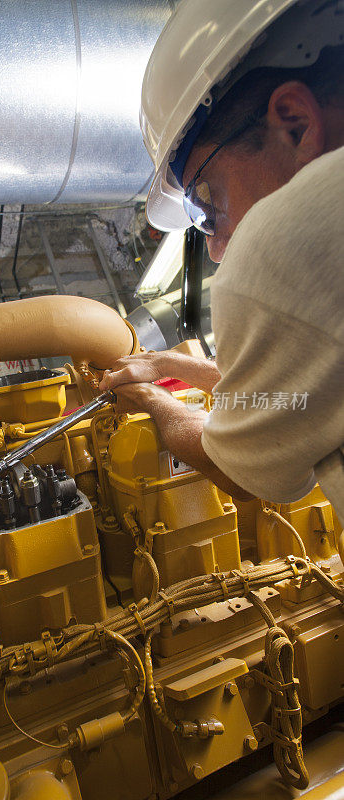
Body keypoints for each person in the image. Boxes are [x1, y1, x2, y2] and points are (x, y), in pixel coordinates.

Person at [100, 0, 344, 521]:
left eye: (206, 202)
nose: (213, 242)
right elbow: (287, 391)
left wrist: (155, 400)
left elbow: (237, 470)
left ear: (295, 124)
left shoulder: (286, 240)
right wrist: (165, 364)